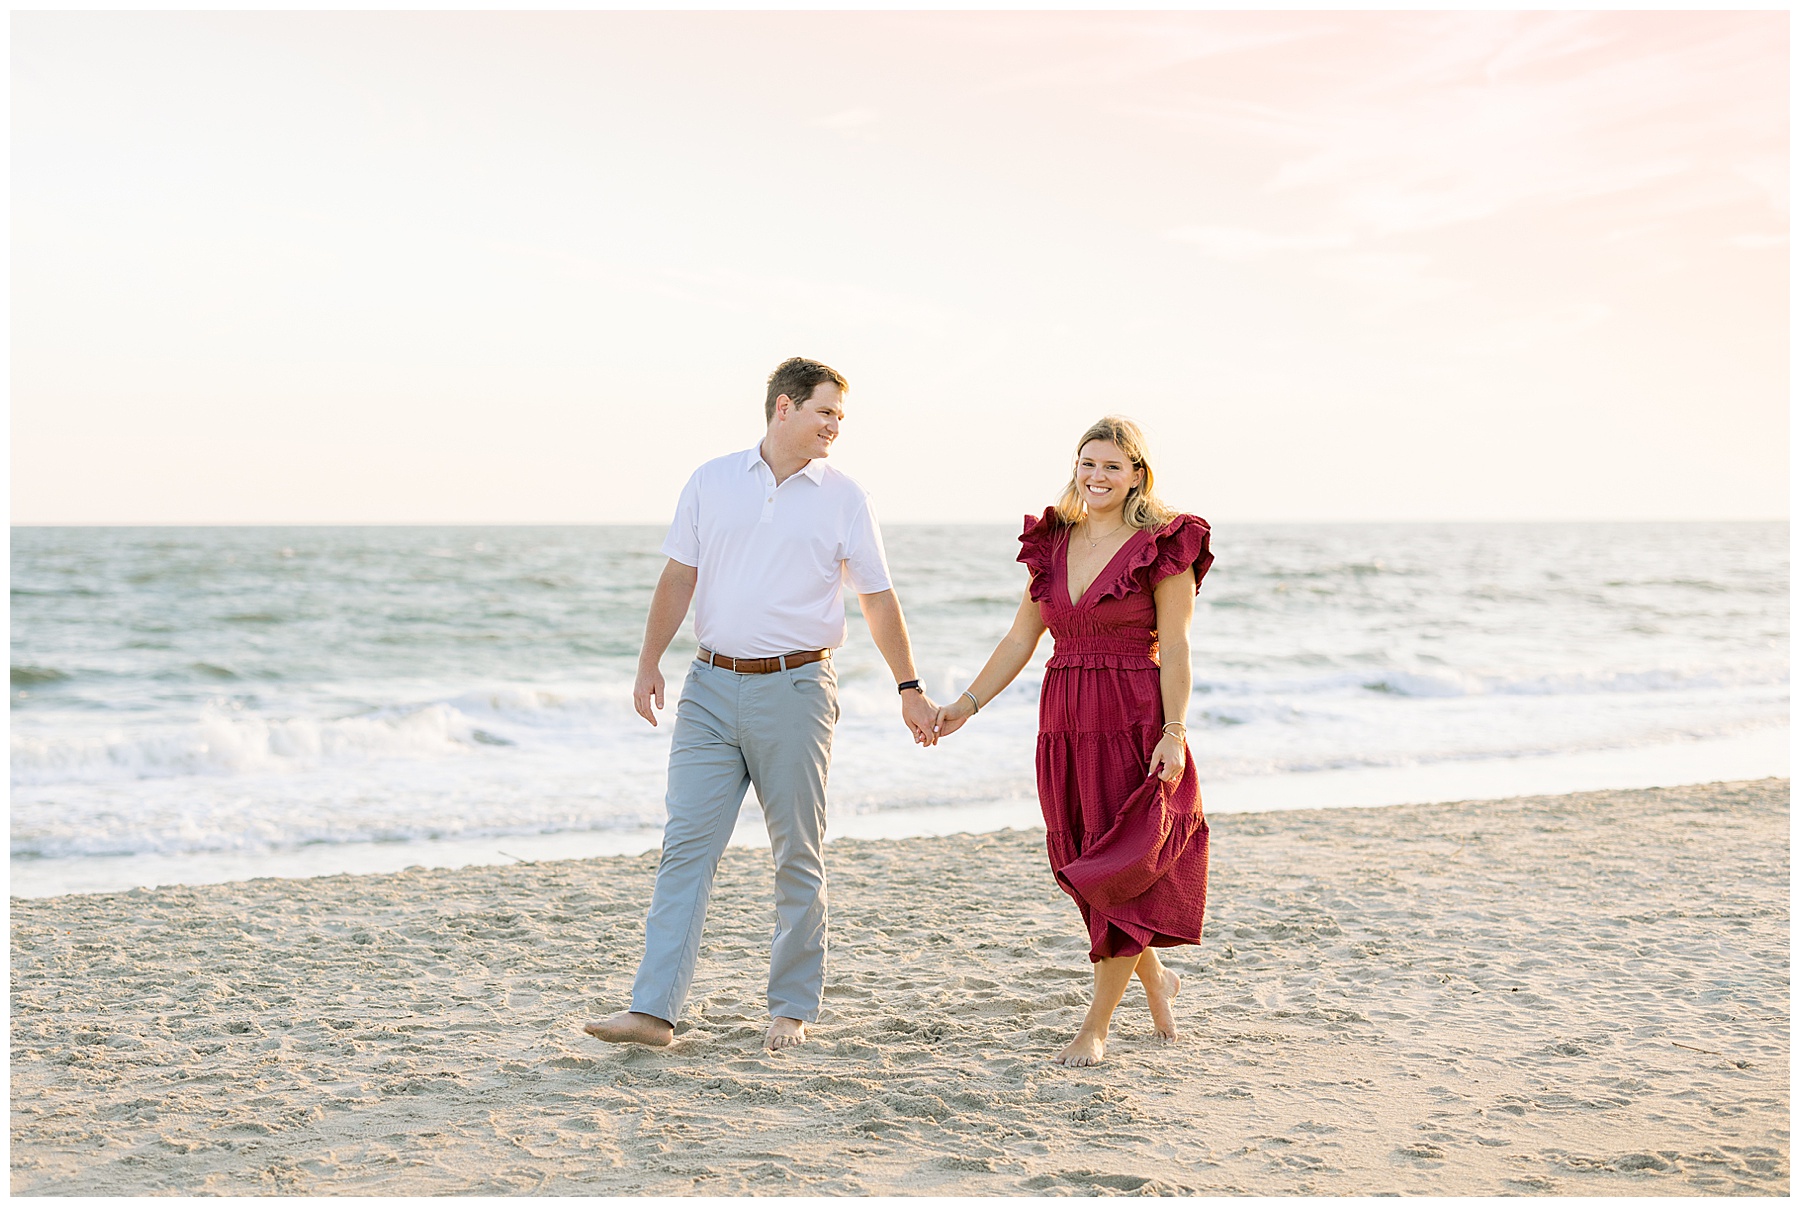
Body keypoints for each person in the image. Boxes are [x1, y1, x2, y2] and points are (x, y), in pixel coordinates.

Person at [584, 357, 941, 1053]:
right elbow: (679, 574)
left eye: (841, 416)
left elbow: (876, 598)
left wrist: (909, 687)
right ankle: (653, 1011)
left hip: (798, 689)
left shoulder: (846, 497)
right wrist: (648, 661)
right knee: (686, 845)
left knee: (796, 853)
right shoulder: (711, 480)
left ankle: (792, 1006)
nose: (836, 425)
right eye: (825, 412)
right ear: (784, 408)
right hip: (710, 687)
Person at [934, 416, 1212, 1067]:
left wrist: (1174, 732)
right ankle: (1157, 981)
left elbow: (1175, 646)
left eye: (1112, 465)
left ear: (1138, 472)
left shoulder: (1163, 543)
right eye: (1087, 462)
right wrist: (964, 706)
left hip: (1134, 717)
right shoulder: (1053, 542)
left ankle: (1095, 1027)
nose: (1096, 475)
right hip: (1064, 719)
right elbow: (1018, 640)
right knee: (1083, 866)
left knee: (1117, 867)